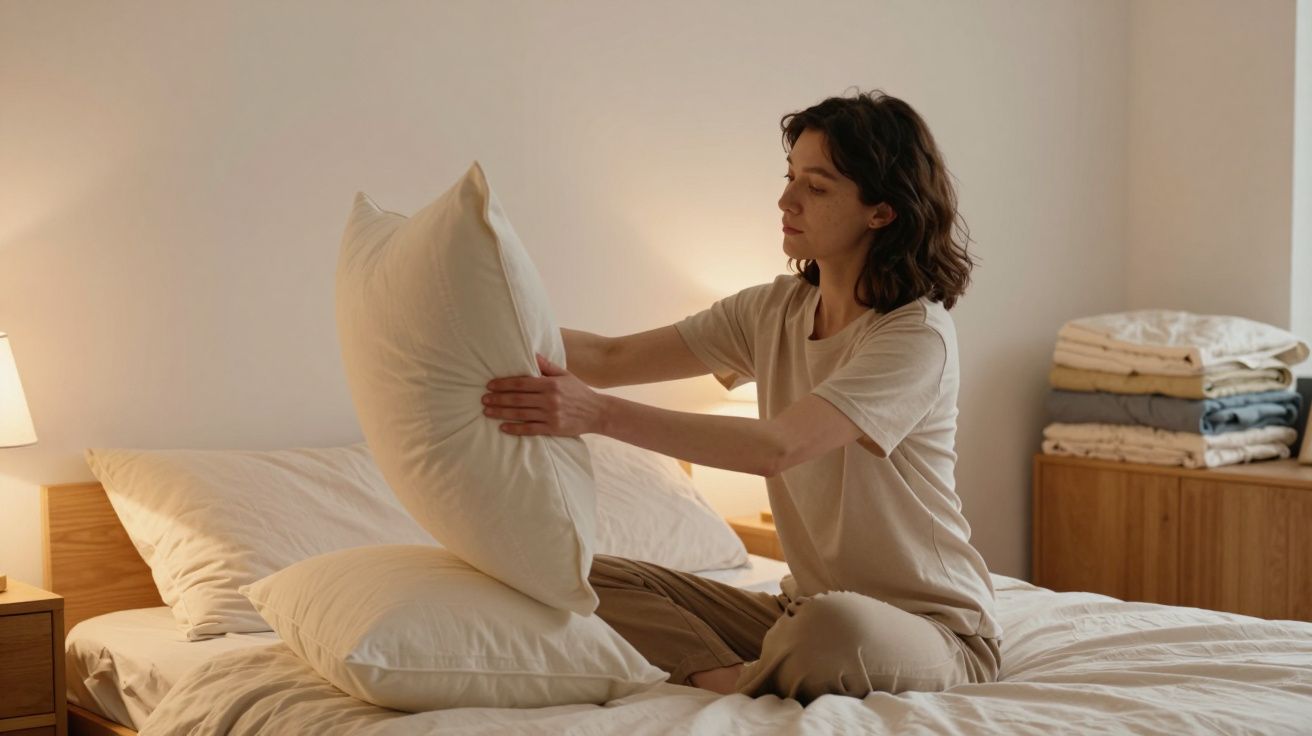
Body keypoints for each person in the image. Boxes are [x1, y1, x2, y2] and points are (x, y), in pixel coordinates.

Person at [480, 89, 1000, 704]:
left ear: (881, 212)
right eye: (789, 178)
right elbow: (607, 357)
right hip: (795, 612)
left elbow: (777, 448)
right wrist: (472, 327)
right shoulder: (772, 309)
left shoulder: (915, 335)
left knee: (834, 627)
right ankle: (726, 675)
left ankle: (731, 677)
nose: (785, 201)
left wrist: (595, 414)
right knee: (570, 574)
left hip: (928, 630)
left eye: (817, 186)